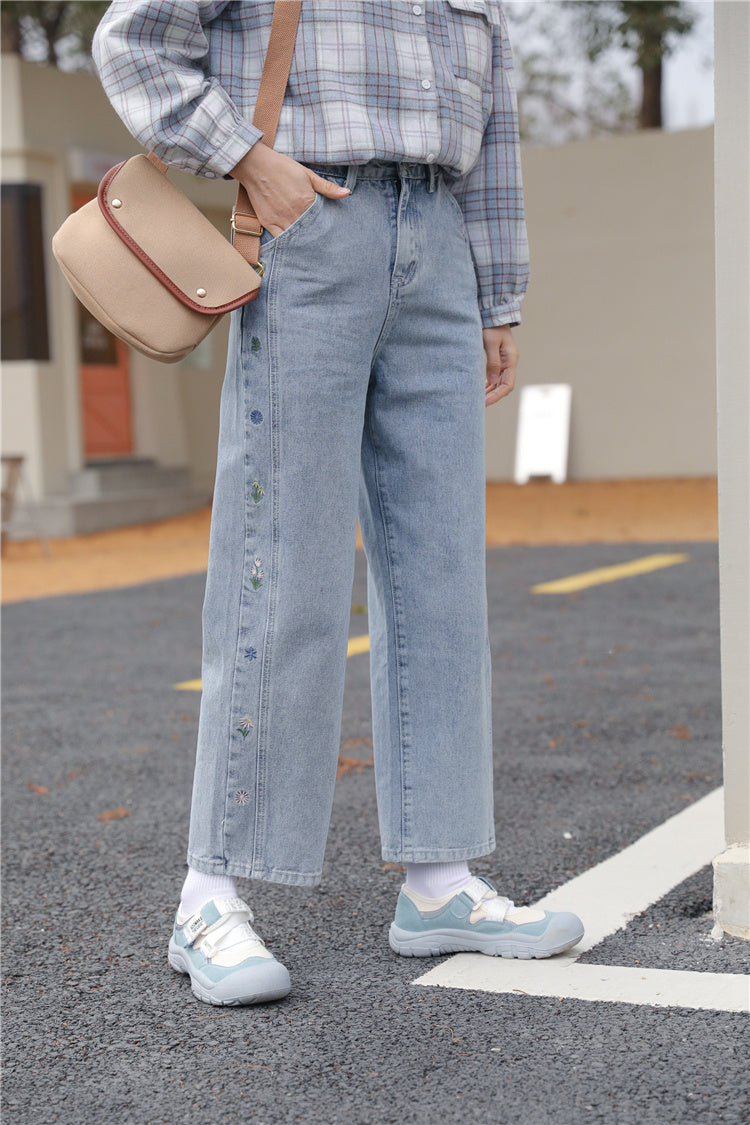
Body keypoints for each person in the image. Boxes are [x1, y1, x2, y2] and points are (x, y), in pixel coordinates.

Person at [92, 0, 583, 1007]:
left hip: (440, 243)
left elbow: (497, 126)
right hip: (312, 222)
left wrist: (498, 297)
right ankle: (208, 895)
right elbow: (133, 42)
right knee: (283, 566)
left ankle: (440, 880)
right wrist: (247, 157)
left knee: (441, 575)